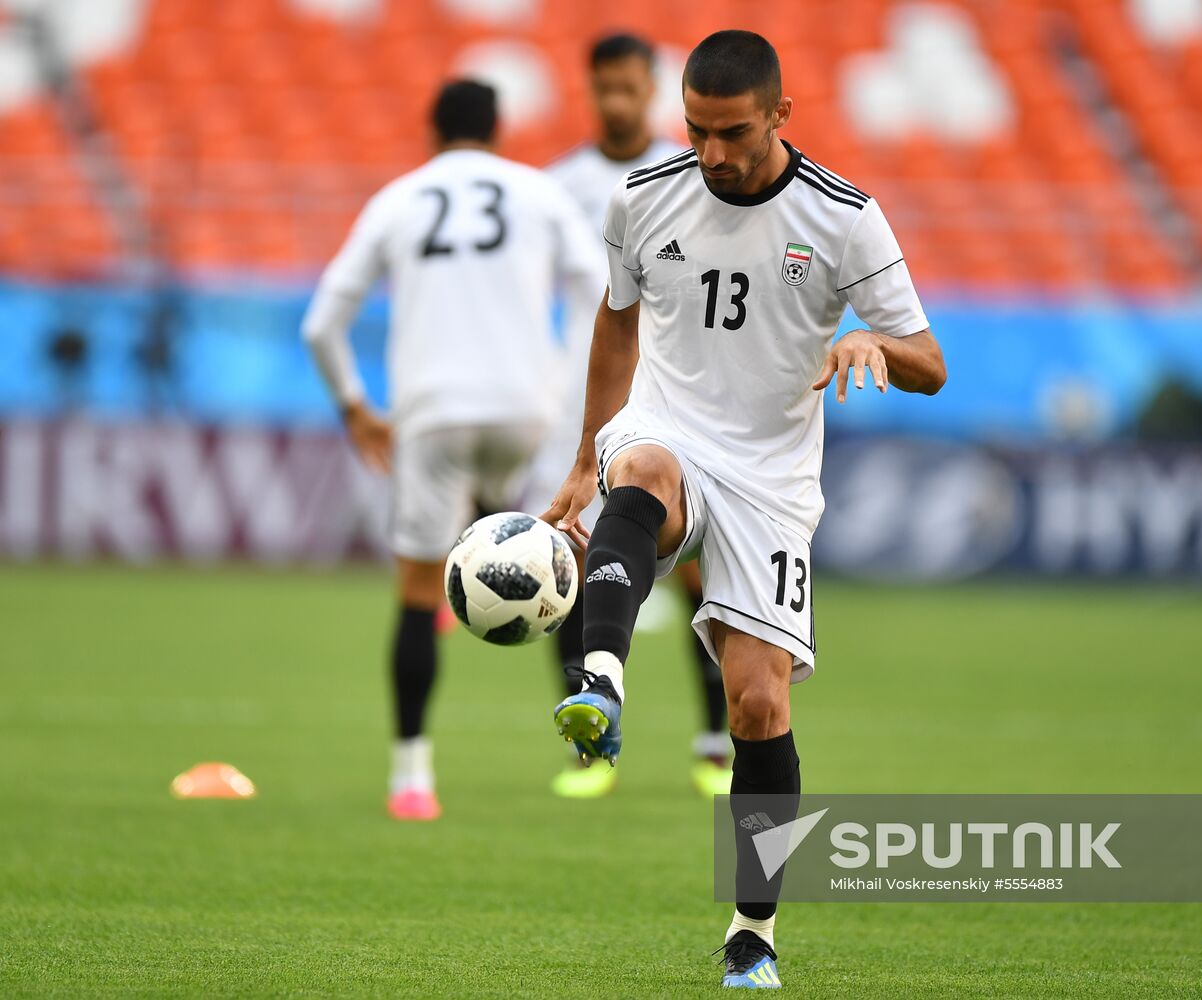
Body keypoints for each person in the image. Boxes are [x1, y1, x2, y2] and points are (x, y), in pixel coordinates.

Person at [542, 30, 945, 989]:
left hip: (771, 478)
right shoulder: (644, 199)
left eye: (731, 134)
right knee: (639, 472)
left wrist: (872, 347)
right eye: (695, 130)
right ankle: (601, 678)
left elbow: (931, 361)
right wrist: (577, 461)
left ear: (779, 116)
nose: (711, 153)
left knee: (757, 703)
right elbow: (614, 322)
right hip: (670, 426)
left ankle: (753, 929)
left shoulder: (845, 219)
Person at [302, 79, 603, 822]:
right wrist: (569, 389)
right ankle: (587, 749)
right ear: (499, 129)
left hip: (432, 412)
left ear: (431, 132)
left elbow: (321, 324)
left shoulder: (401, 198)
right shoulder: (536, 192)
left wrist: (355, 409)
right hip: (526, 410)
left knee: (414, 593)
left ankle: (412, 778)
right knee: (556, 562)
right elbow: (601, 288)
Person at [531, 32, 732, 800]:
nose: (616, 101)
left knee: (700, 573)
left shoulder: (687, 181)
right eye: (603, 88)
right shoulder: (560, 187)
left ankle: (714, 741)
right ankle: (591, 748)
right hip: (591, 398)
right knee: (575, 559)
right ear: (589, 90)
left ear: (652, 88)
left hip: (681, 397)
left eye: (629, 87)